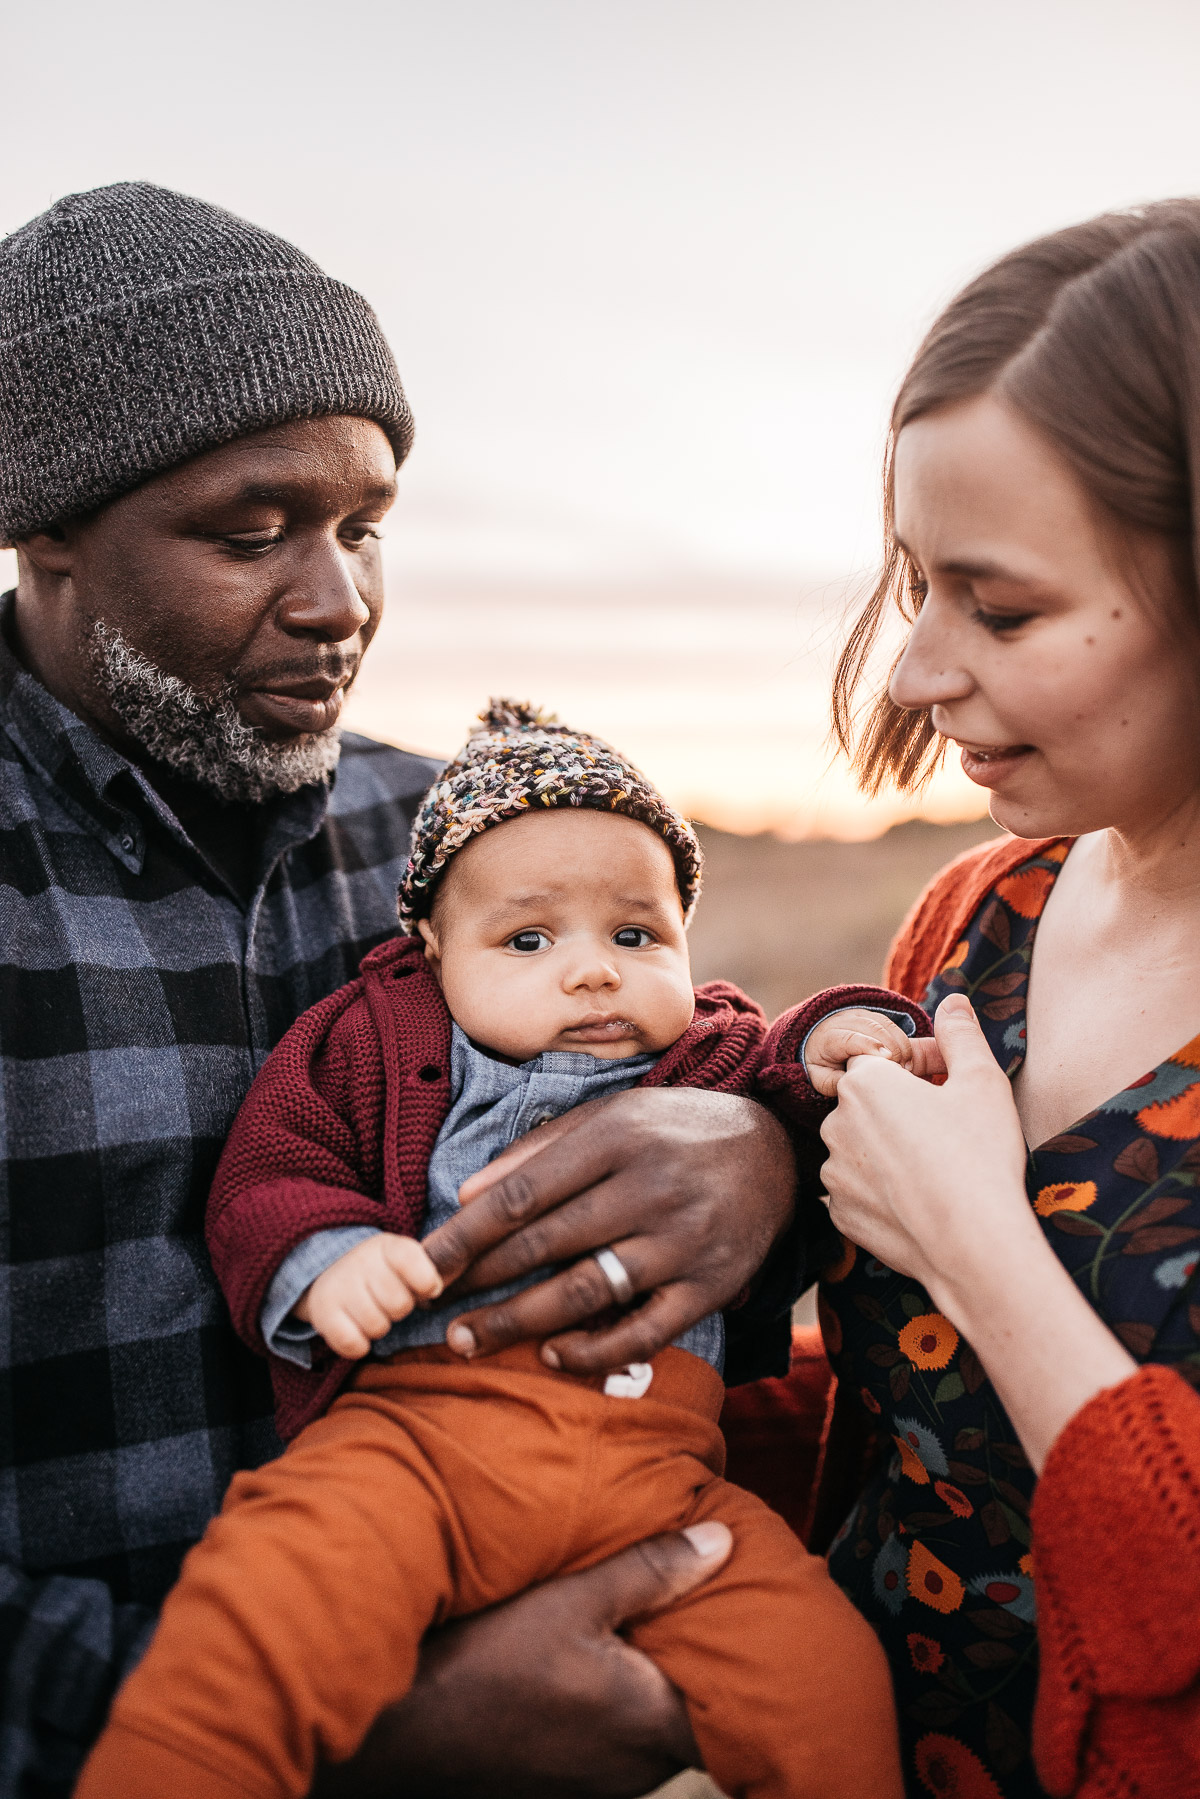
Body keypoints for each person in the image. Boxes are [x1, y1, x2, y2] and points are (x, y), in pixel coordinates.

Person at [0, 184, 800, 1797]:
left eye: (364, 526)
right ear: (48, 532)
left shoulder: (473, 851)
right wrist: (359, 1730)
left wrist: (764, 1151)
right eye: (253, 532)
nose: (339, 599)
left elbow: (707, 1062)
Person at [76, 701, 900, 1799]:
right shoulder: (370, 1036)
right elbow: (270, 1170)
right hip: (416, 1448)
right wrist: (325, 1255)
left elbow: (789, 1062)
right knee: (252, 1628)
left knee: (825, 1676)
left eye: (635, 933)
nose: (594, 971)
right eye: (527, 939)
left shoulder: (707, 1050)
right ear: (427, 949)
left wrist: (844, 1034)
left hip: (660, 1482)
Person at [727, 197, 1200, 1799]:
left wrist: (977, 1240)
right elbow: (916, 1434)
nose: (919, 670)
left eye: (998, 607)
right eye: (914, 584)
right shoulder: (973, 919)